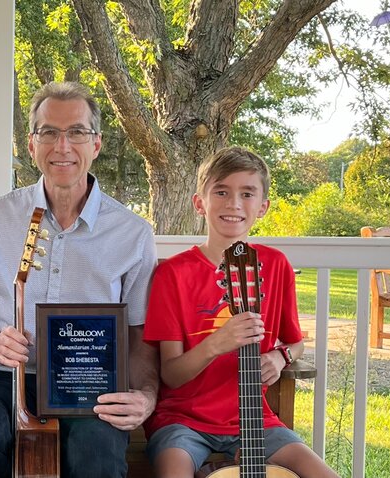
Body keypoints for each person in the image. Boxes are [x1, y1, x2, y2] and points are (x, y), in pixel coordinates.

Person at [0, 81, 159, 478]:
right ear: (31, 145)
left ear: (96, 144)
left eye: (77, 132)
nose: (63, 146)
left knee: (96, 456)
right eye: (49, 132)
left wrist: (145, 396)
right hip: (9, 381)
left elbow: (140, 337)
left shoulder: (132, 233)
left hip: (90, 389)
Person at [142, 147, 339, 478]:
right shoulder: (173, 274)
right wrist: (217, 343)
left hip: (255, 420)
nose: (233, 203)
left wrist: (280, 359)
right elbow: (171, 375)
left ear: (262, 207)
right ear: (199, 202)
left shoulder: (275, 266)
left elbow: (295, 343)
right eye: (221, 191)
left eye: (246, 193)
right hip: (182, 422)